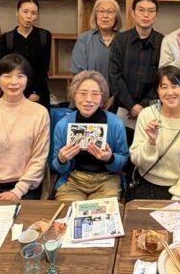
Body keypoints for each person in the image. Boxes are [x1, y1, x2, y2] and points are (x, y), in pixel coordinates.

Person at [0, 54, 50, 201]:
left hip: (25, 189)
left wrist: (18, 191)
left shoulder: (40, 113)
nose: (14, 82)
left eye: (20, 76)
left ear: (27, 79)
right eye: (7, 76)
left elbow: (39, 158)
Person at [50, 70, 129, 201]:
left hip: (107, 179)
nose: (88, 99)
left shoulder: (115, 123)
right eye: (82, 93)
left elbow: (123, 159)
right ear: (74, 95)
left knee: (103, 211)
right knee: (69, 211)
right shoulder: (63, 125)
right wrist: (61, 159)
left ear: (102, 97)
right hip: (73, 179)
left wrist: (110, 158)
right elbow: (57, 167)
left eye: (95, 94)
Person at [129, 66, 180, 200]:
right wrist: (151, 142)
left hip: (178, 188)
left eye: (175, 86)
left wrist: (178, 197)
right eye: (164, 87)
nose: (170, 92)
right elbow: (136, 159)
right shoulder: (147, 115)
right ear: (157, 91)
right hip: (145, 184)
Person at [109, 0, 164, 134]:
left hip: (152, 110)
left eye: (151, 11)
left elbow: (162, 79)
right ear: (133, 13)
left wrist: (142, 106)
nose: (146, 15)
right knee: (122, 144)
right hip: (122, 109)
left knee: (150, 145)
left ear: (156, 15)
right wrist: (131, 105)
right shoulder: (120, 40)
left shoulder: (163, 42)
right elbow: (114, 75)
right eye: (141, 10)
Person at [0, 0, 52, 110]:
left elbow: (44, 67)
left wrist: (35, 92)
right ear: (17, 12)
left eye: (33, 13)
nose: (29, 16)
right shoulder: (6, 38)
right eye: (25, 11)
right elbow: (5, 70)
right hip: (14, 90)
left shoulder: (44, 35)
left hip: (39, 91)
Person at [71, 0, 122, 78]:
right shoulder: (84, 40)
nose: (105, 16)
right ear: (95, 15)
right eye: (101, 11)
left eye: (110, 11)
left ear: (116, 16)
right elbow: (79, 75)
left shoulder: (125, 40)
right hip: (91, 86)